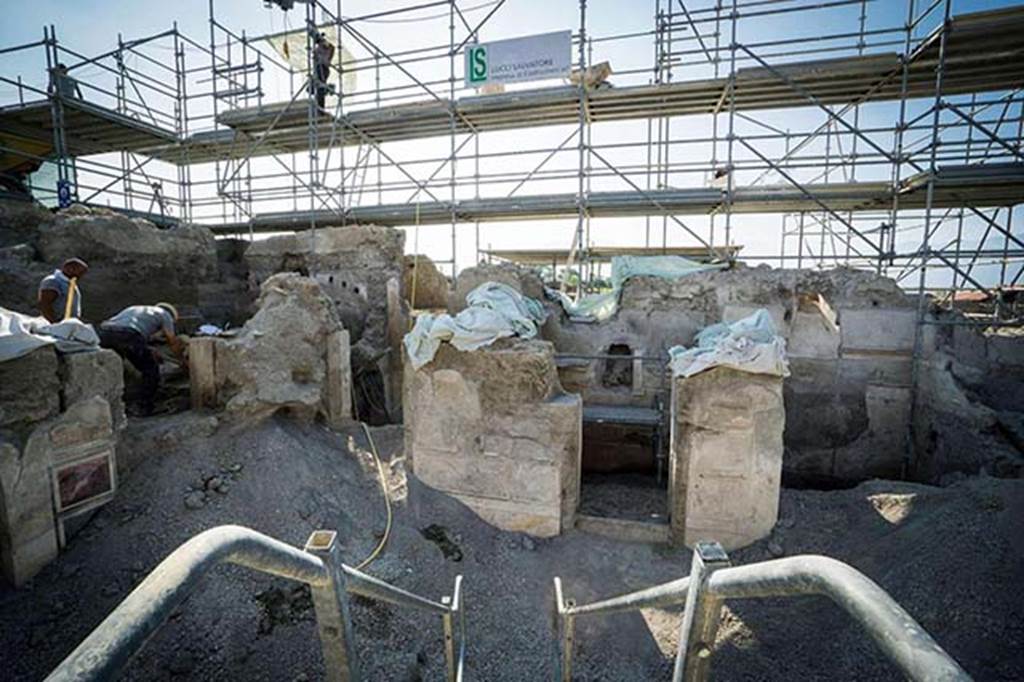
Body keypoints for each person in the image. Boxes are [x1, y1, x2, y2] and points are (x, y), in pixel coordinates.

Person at [98, 303, 187, 415]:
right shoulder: (165, 315)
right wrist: (182, 361)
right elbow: (171, 340)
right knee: (151, 371)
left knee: (115, 370)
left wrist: (147, 349)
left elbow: (114, 326)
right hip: (128, 335)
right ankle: (144, 407)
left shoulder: (135, 309)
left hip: (105, 334)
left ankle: (112, 405)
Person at [38, 258, 88, 322]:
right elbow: (45, 305)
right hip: (57, 325)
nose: (81, 275)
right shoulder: (53, 281)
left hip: (67, 325)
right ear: (70, 268)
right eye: (80, 272)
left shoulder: (70, 284)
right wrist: (54, 323)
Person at [312, 32, 335, 109]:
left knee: (320, 88)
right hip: (319, 67)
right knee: (318, 88)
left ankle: (320, 108)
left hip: (323, 68)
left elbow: (331, 47)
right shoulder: (318, 48)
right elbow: (315, 58)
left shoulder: (324, 45)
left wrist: (322, 40)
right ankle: (319, 107)